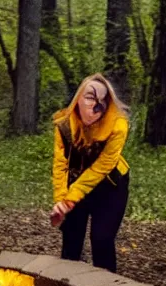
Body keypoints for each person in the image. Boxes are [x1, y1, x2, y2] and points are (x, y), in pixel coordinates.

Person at [50, 73, 130, 273]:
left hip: (110, 186)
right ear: (78, 99)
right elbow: (61, 164)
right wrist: (61, 201)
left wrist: (70, 200)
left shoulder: (117, 125)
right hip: (76, 181)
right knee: (71, 238)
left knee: (101, 239)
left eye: (102, 100)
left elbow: (102, 167)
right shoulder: (64, 125)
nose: (96, 105)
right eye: (90, 97)